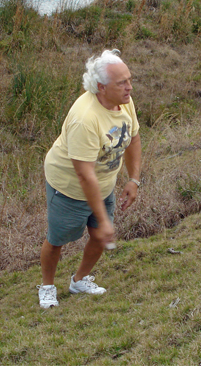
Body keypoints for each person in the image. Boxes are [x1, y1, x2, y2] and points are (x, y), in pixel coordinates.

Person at [37, 49, 141, 308]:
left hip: (102, 183)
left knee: (99, 236)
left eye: (129, 79)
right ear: (100, 87)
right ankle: (47, 287)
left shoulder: (124, 101)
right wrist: (104, 219)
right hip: (70, 188)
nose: (129, 87)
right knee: (58, 239)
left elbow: (133, 137)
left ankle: (79, 281)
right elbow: (84, 175)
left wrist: (133, 179)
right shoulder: (85, 119)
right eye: (122, 83)